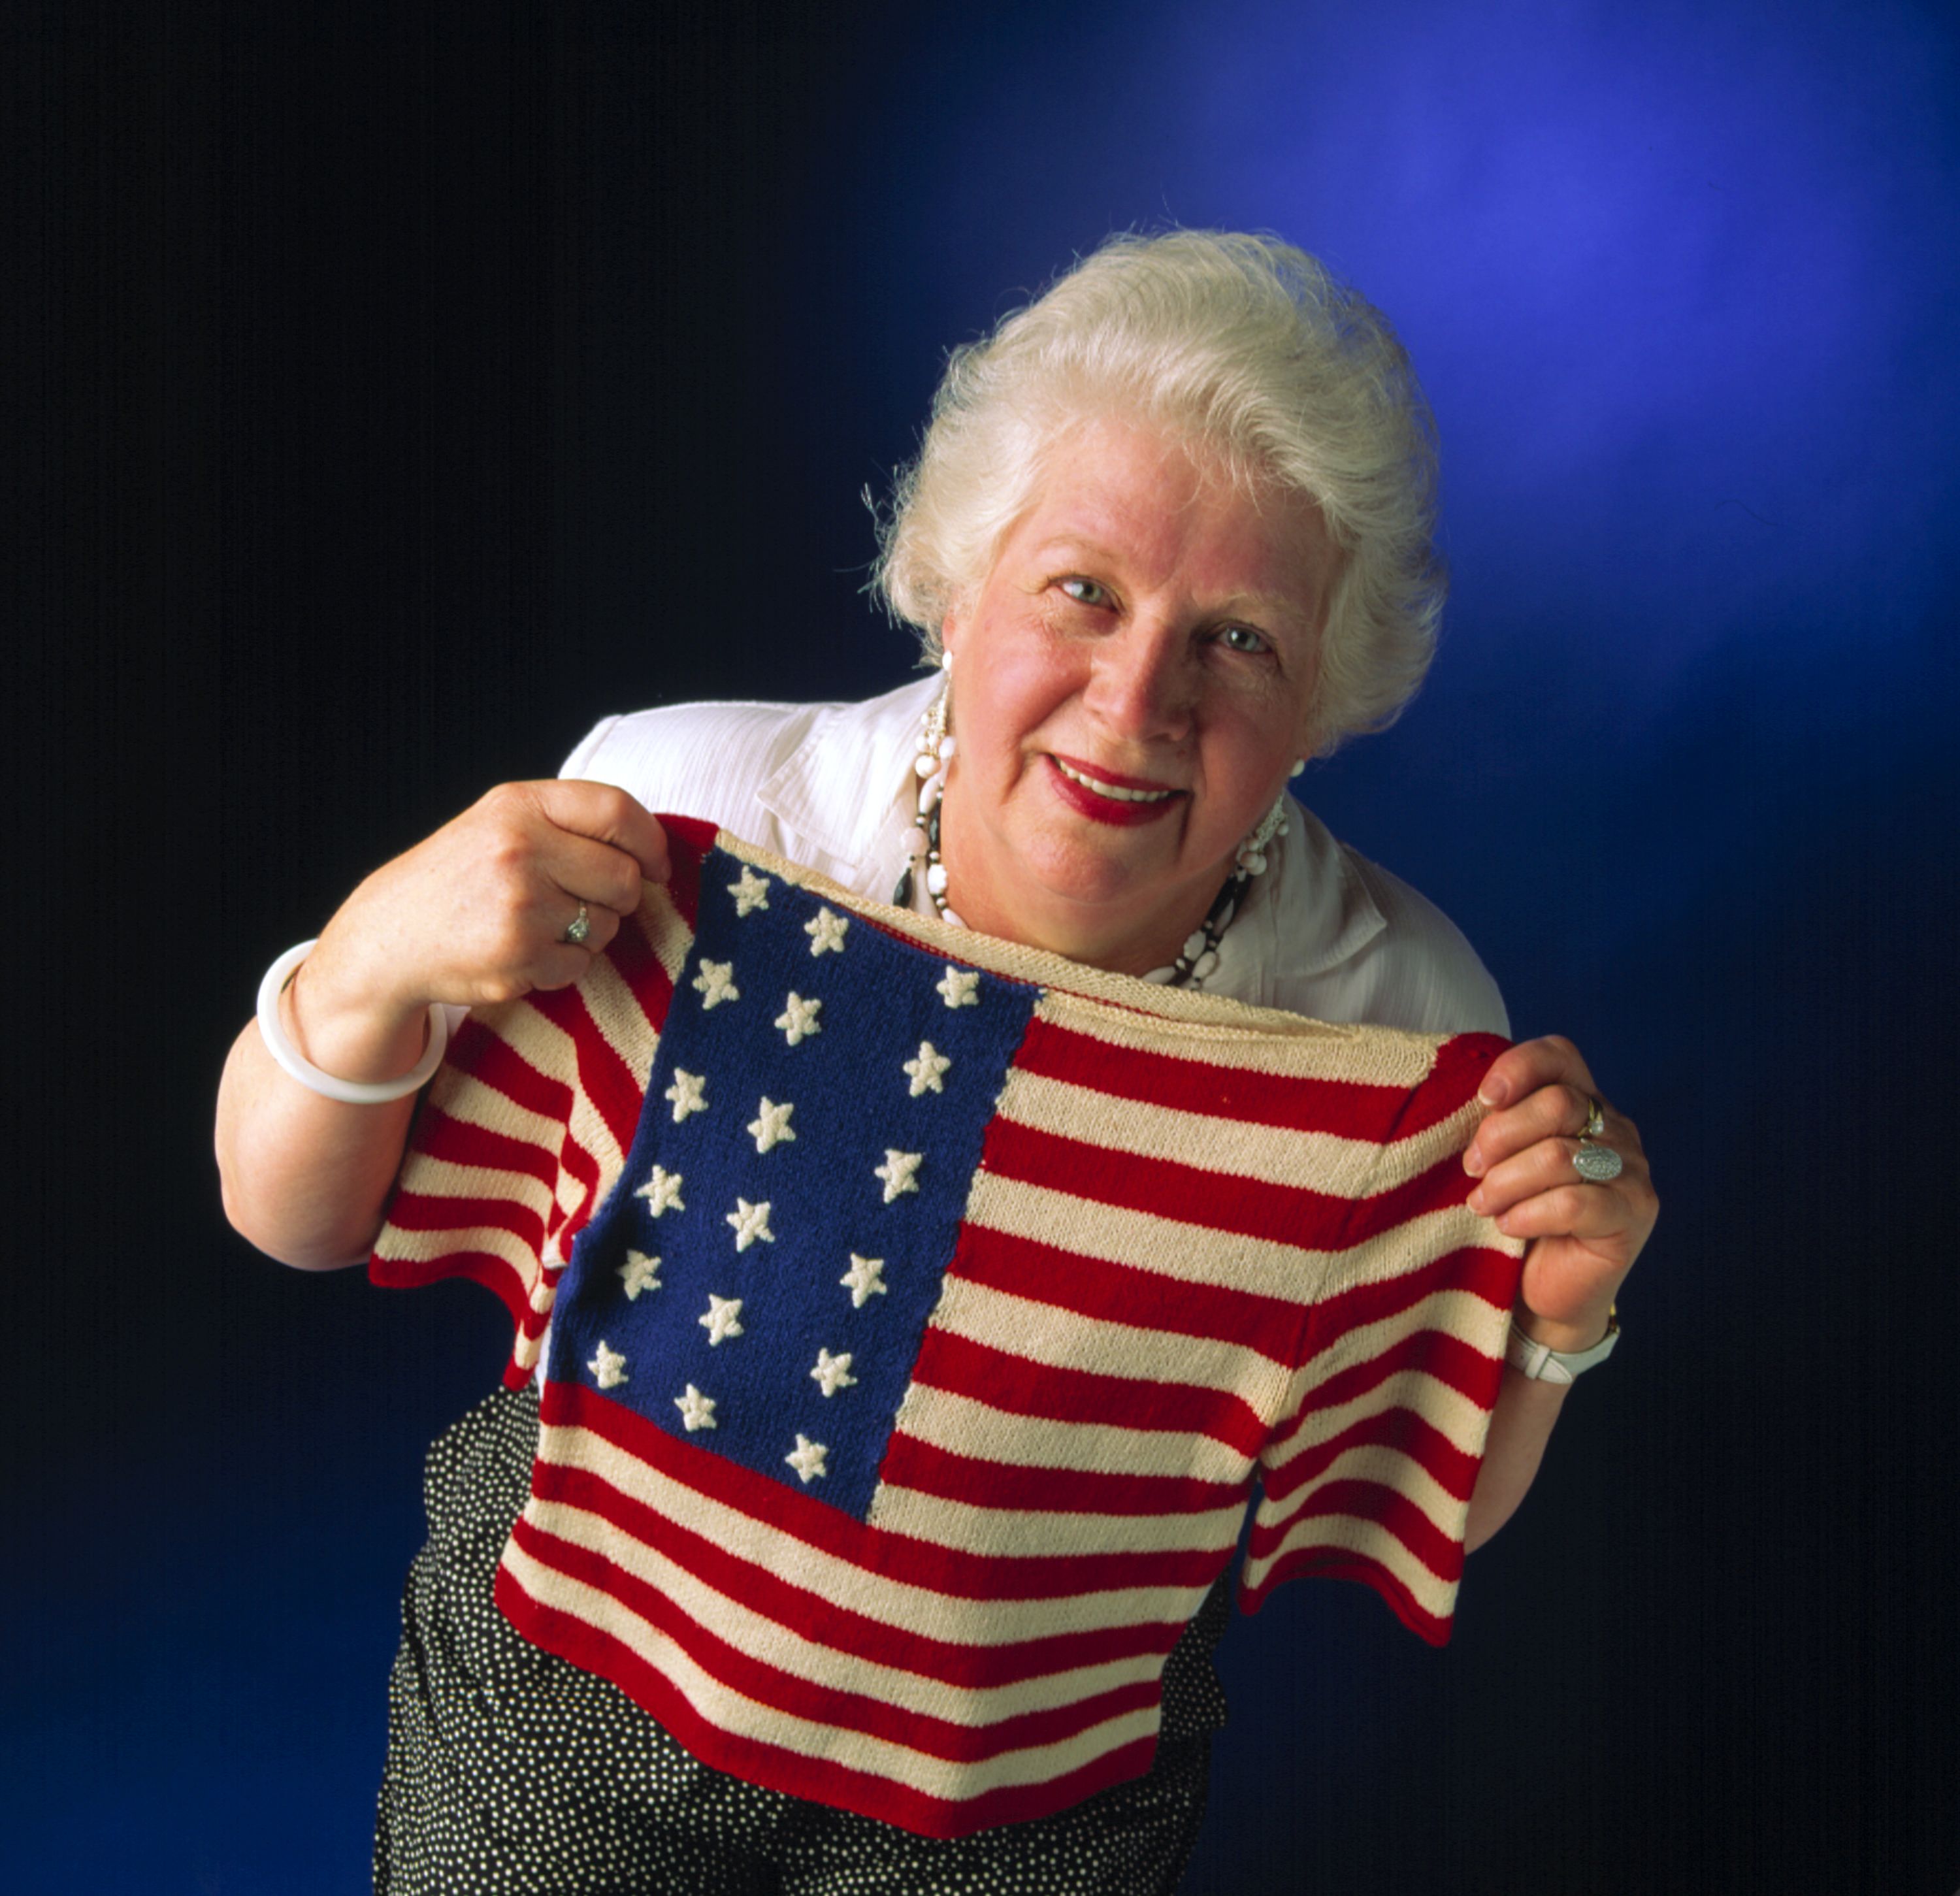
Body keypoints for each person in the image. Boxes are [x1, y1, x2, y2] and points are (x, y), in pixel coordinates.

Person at [216, 230, 1656, 1894]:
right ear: (956, 589)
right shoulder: (680, 812)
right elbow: (296, 1217)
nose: (1138, 699)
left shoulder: (1404, 1019)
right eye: (1084, 591)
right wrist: (371, 955)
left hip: (1027, 1790)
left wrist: (1558, 1319)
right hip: (571, 1667)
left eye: (1242, 638)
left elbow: (1421, 1489)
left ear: (1324, 695)